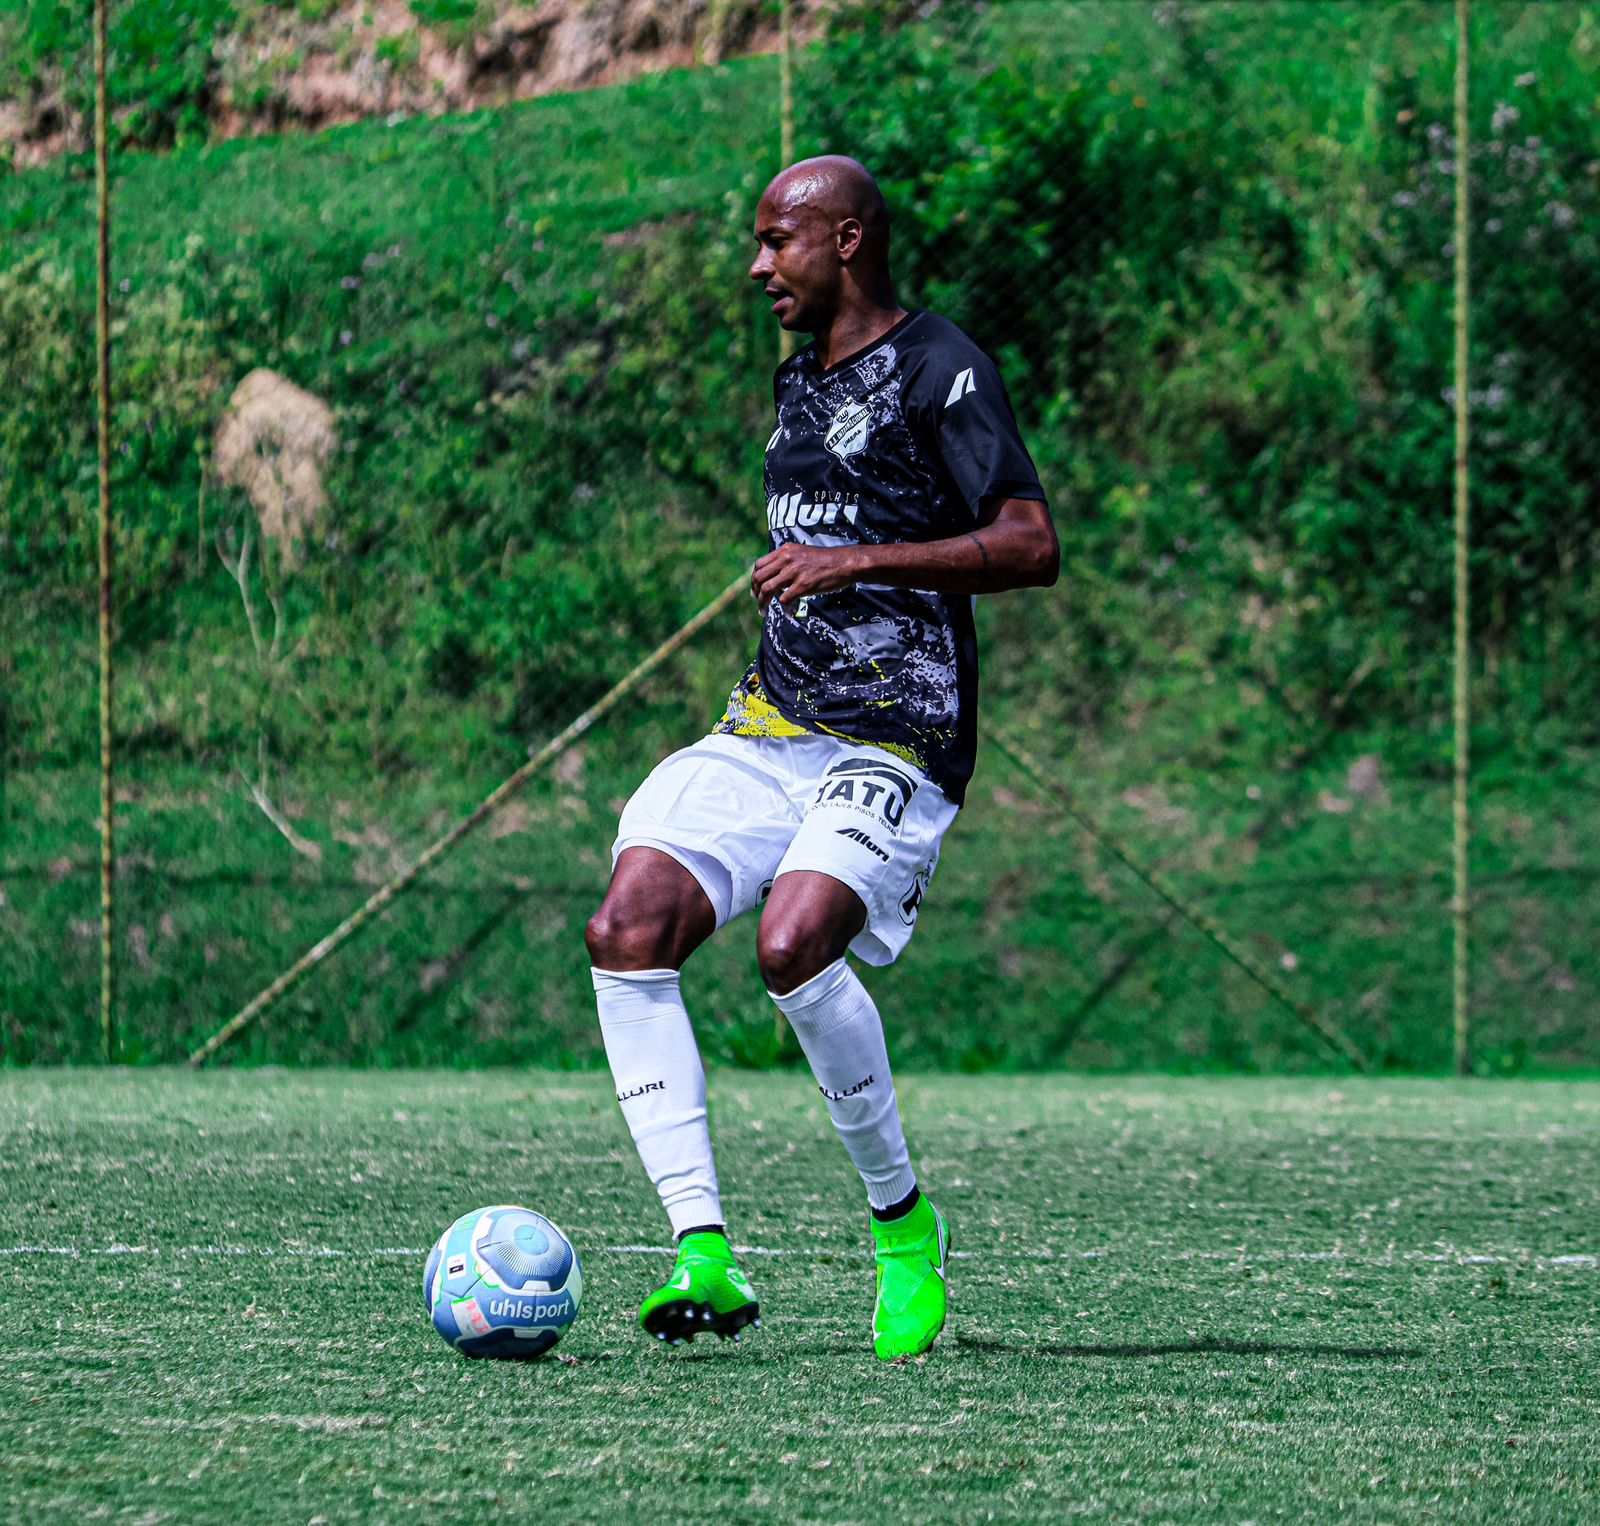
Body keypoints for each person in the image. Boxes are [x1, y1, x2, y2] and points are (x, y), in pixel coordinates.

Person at [585, 155, 1057, 1360]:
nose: (756, 267)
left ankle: (903, 1227)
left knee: (792, 946)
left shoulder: (944, 366)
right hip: (771, 725)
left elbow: (1030, 541)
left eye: (774, 241)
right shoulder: (799, 381)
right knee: (627, 925)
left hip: (900, 731)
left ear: (844, 241)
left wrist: (858, 562)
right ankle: (702, 1251)